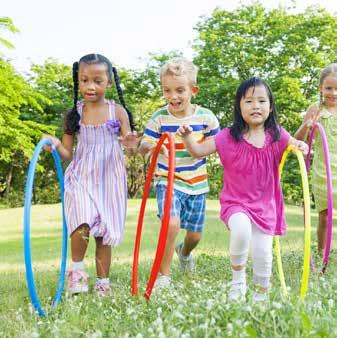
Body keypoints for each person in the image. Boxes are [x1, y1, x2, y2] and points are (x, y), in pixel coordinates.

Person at [177, 77, 308, 302]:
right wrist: (188, 138)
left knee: (263, 253)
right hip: (236, 203)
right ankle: (237, 283)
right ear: (239, 106)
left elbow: (296, 144)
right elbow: (198, 151)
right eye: (248, 101)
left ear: (270, 106)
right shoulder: (229, 137)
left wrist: (300, 145)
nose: (255, 106)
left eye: (261, 101)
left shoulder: (277, 135)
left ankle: (261, 295)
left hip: (266, 206)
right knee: (241, 230)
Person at [45, 53, 138, 296]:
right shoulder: (74, 113)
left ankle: (103, 283)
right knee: (81, 221)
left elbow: (130, 146)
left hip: (110, 177)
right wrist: (56, 144)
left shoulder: (117, 112)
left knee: (105, 233)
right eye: (85, 80)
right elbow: (67, 152)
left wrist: (130, 142)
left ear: (109, 82)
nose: (90, 86)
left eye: (97, 80)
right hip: (82, 175)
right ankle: (76, 274)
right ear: (78, 80)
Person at [139, 57, 220, 289]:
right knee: (171, 224)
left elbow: (217, 143)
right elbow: (145, 145)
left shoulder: (206, 117)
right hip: (168, 179)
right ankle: (163, 278)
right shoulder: (159, 118)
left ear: (193, 90)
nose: (173, 96)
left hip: (197, 183)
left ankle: (184, 253)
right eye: (167, 90)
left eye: (180, 90)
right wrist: (153, 146)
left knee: (194, 236)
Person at [295, 63, 337, 256]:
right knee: (324, 216)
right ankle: (322, 254)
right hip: (323, 169)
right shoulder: (315, 109)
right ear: (321, 88)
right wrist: (307, 124)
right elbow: (298, 140)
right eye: (329, 88)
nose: (333, 93)